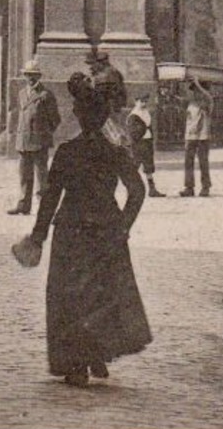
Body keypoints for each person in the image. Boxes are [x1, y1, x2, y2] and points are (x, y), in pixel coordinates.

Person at [25, 74, 151, 386]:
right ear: (103, 117)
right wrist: (123, 226)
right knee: (101, 295)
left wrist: (38, 237)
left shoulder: (67, 152)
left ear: (80, 117)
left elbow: (50, 198)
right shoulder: (115, 151)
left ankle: (75, 364)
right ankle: (96, 354)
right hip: (106, 229)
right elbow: (137, 191)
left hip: (71, 231)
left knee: (68, 297)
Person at [8, 60, 61, 215]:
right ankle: (24, 204)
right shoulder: (22, 93)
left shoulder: (46, 95)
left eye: (33, 75)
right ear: (24, 75)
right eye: (28, 74)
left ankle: (44, 207)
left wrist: (43, 134)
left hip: (39, 142)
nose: (30, 78)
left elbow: (55, 119)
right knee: (24, 175)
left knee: (42, 176)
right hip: (23, 141)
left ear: (39, 76)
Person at [126, 95, 165, 198]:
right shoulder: (133, 115)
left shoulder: (145, 113)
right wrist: (141, 133)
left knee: (149, 166)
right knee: (135, 167)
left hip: (147, 142)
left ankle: (152, 189)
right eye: (141, 101)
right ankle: (131, 190)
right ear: (136, 101)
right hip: (138, 144)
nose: (144, 104)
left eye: (145, 101)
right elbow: (133, 133)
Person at [180, 79, 213, 197]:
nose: (196, 93)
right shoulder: (191, 104)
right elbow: (180, 100)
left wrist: (198, 84)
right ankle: (189, 187)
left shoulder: (208, 103)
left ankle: (205, 187)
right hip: (190, 136)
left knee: (203, 162)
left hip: (203, 137)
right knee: (188, 162)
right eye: (194, 91)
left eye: (198, 91)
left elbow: (208, 96)